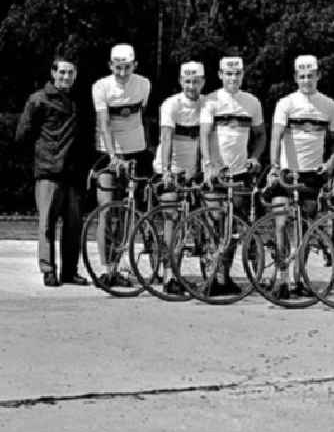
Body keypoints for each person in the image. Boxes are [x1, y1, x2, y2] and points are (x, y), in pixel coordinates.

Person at [268, 54, 334, 298]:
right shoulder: (286, 103)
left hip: (312, 175)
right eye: (302, 77)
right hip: (287, 172)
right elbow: (276, 136)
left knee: (304, 230)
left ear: (318, 76)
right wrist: (274, 167)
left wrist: (331, 163)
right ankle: (281, 278)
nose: (306, 81)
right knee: (281, 224)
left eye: (311, 76)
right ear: (295, 78)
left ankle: (297, 279)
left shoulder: (329, 105)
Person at [15, 53, 88, 287]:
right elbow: (23, 135)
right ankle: (48, 270)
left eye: (70, 72)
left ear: (75, 75)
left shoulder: (79, 101)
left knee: (73, 226)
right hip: (48, 171)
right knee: (46, 223)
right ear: (53, 73)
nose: (66, 76)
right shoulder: (38, 100)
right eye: (62, 72)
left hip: (73, 173)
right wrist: (40, 158)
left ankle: (70, 271)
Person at [200, 55, 266, 295]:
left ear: (242, 75)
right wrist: (208, 163)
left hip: (239, 173)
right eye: (228, 74)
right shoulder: (211, 100)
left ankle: (223, 277)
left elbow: (260, 135)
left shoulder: (252, 102)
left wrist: (255, 157)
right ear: (220, 75)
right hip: (216, 173)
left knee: (232, 228)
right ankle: (210, 277)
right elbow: (204, 134)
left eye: (237, 74)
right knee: (215, 223)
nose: (233, 78)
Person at [91, 43, 152, 288]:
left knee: (129, 211)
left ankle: (123, 268)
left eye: (127, 68)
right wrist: (114, 156)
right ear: (110, 66)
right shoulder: (101, 87)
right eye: (118, 68)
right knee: (106, 210)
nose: (123, 73)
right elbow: (104, 123)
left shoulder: (144, 84)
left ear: (134, 66)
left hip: (135, 150)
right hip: (107, 152)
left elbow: (140, 117)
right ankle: (106, 269)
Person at [152, 60, 206, 295]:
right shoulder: (171, 104)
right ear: (180, 81)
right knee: (171, 219)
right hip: (170, 168)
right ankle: (168, 276)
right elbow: (166, 139)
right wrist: (165, 171)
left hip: (193, 171)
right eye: (187, 81)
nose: (191, 86)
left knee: (187, 223)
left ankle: (177, 272)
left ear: (202, 82)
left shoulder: (207, 104)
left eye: (195, 81)